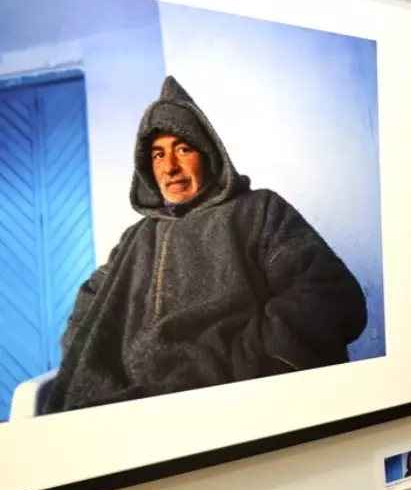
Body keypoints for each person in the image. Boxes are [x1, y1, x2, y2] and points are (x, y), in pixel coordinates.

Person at [45, 75, 367, 414]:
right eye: (157, 155)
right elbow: (90, 308)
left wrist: (245, 361)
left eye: (182, 149)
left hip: (229, 401)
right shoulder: (135, 239)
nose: (169, 168)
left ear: (208, 155)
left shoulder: (257, 211)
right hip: (132, 411)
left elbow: (328, 293)